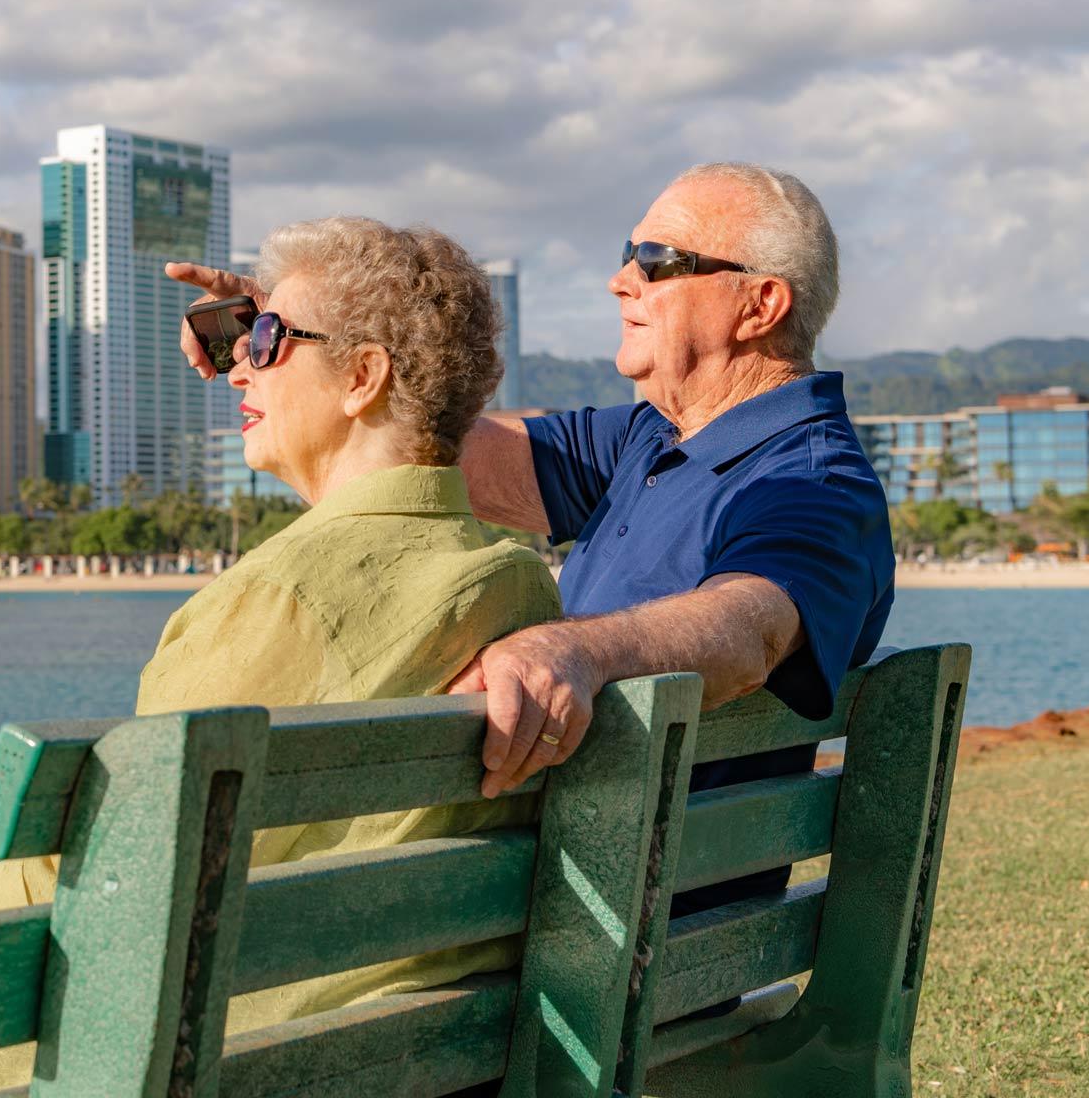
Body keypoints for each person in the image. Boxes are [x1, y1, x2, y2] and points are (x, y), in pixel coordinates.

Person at [0, 217, 561, 1096]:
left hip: (237, 1048)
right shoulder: (517, 586)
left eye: (269, 338)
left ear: (363, 377)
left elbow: (127, 872)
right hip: (421, 1038)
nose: (237, 363)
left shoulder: (279, 597)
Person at [174, 162, 895, 913]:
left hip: (615, 952)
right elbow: (416, 436)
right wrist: (295, 339)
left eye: (656, 263)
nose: (621, 282)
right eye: (627, 255)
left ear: (760, 305)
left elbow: (751, 626)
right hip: (584, 920)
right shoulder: (655, 438)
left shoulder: (813, 483)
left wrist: (575, 649)